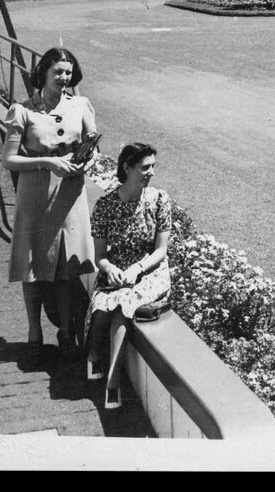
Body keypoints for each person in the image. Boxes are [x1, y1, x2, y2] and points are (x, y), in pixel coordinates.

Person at [0, 46, 98, 365]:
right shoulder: (22, 111)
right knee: (33, 270)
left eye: (68, 72)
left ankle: (66, 335)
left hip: (69, 195)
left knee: (65, 271)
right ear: (43, 73)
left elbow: (93, 147)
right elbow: (9, 160)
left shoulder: (81, 105)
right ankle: (33, 336)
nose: (64, 77)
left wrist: (85, 163)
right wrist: (48, 162)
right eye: (58, 71)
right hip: (36, 196)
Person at [86, 143, 173, 409]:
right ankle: (93, 354)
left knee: (125, 305)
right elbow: (99, 256)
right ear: (127, 168)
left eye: (153, 166)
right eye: (145, 167)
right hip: (118, 269)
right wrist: (109, 269)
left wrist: (137, 269)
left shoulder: (159, 199)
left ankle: (112, 381)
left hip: (149, 271)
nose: (152, 173)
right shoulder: (105, 206)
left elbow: (160, 251)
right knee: (101, 310)